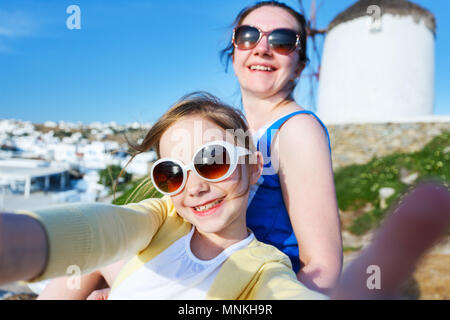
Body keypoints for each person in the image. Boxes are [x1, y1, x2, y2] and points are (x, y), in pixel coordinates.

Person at [0, 93, 327, 300]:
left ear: (255, 167)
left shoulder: (264, 267)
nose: (194, 187)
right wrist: (15, 246)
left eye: (213, 161)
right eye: (172, 173)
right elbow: (101, 228)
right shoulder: (162, 220)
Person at [220, 1, 342, 292]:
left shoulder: (297, 130)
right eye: (248, 35)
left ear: (299, 66)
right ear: (235, 50)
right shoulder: (231, 131)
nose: (262, 48)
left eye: (283, 41)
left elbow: (323, 266)